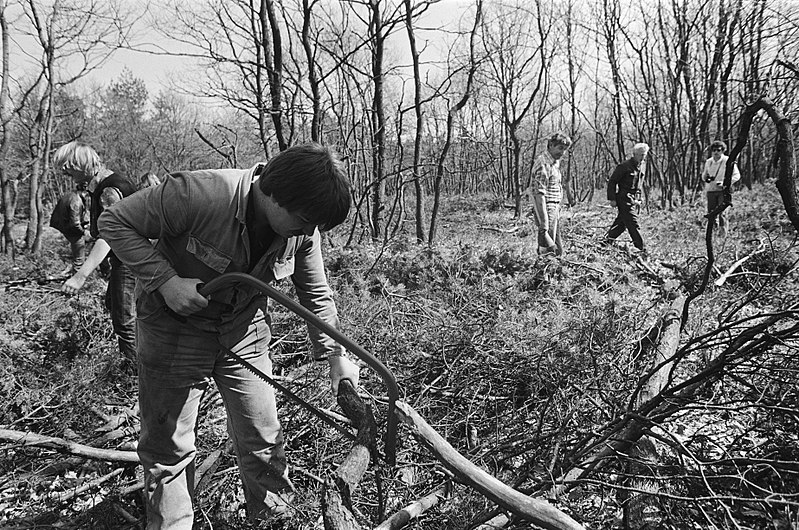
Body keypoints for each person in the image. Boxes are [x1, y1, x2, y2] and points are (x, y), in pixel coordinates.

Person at [98, 143, 361, 528]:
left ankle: (272, 522)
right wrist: (166, 281)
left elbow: (315, 292)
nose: (309, 231)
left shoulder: (304, 228)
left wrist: (337, 356)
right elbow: (113, 222)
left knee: (263, 438)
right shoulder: (198, 194)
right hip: (175, 332)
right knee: (169, 449)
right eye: (305, 219)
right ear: (274, 193)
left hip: (244, 332)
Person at [53, 141, 138, 365]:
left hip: (131, 259)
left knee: (125, 321)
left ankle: (134, 378)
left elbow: (110, 236)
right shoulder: (102, 186)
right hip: (125, 258)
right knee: (114, 304)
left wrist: (79, 276)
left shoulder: (109, 190)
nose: (67, 175)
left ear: (81, 164)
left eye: (69, 170)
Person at [528, 132, 572, 256]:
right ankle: (543, 272)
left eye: (564, 149)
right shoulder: (543, 164)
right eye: (560, 148)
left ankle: (557, 270)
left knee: (557, 247)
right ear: (551, 145)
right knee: (547, 248)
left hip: (555, 207)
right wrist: (544, 220)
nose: (562, 152)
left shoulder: (553, 162)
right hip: (547, 207)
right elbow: (539, 195)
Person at [604, 142, 650, 254]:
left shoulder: (642, 166)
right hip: (623, 198)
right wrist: (612, 199)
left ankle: (606, 242)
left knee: (622, 223)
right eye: (640, 154)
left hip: (634, 198)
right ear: (634, 154)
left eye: (644, 154)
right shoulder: (624, 166)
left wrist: (640, 198)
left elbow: (640, 184)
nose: (642, 157)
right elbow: (612, 181)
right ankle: (641, 249)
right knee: (633, 223)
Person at [701, 140, 740, 237]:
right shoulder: (708, 162)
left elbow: (737, 175)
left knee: (722, 213)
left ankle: (723, 236)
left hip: (723, 191)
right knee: (711, 214)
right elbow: (704, 175)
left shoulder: (728, 160)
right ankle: (713, 235)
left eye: (718, 150)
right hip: (711, 191)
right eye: (714, 150)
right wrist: (706, 178)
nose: (716, 152)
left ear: (723, 150)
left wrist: (725, 183)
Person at [49, 183, 89, 273]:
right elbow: (75, 224)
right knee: (79, 257)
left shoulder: (69, 195)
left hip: (62, 226)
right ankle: (77, 277)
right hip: (70, 229)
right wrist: (83, 232)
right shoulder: (76, 201)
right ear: (85, 191)